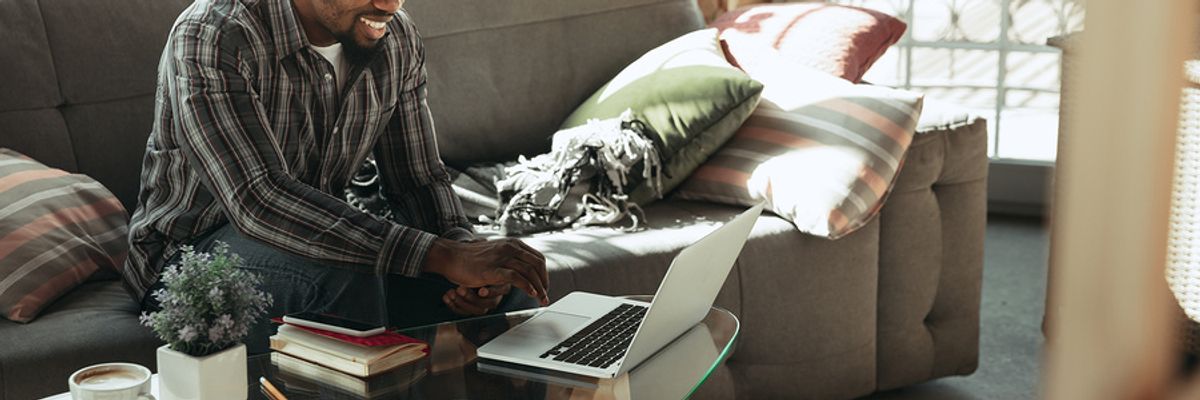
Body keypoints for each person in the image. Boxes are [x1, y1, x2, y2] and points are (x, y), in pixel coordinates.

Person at [123, 0, 549, 352]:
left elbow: (417, 179)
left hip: (317, 236)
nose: (390, 5)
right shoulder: (215, 34)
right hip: (190, 256)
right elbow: (257, 199)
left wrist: (463, 252)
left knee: (510, 274)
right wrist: (438, 256)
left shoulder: (394, 36)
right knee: (345, 282)